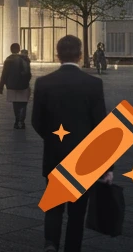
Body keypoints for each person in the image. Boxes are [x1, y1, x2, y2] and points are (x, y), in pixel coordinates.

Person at [32, 35, 111, 252]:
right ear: (80, 55)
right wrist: (106, 168)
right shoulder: (93, 84)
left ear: (57, 55)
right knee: (77, 213)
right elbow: (100, 127)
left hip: (54, 156)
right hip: (83, 159)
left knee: (54, 206)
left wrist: (54, 140)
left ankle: (50, 244)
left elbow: (36, 122)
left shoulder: (43, 83)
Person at [0, 42, 32, 129]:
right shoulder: (25, 59)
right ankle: (22, 121)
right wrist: (27, 82)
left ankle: (17, 121)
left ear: (11, 50)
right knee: (23, 103)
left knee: (16, 103)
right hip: (24, 85)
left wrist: (1, 85)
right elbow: (29, 73)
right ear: (19, 49)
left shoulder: (8, 60)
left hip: (12, 85)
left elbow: (4, 74)